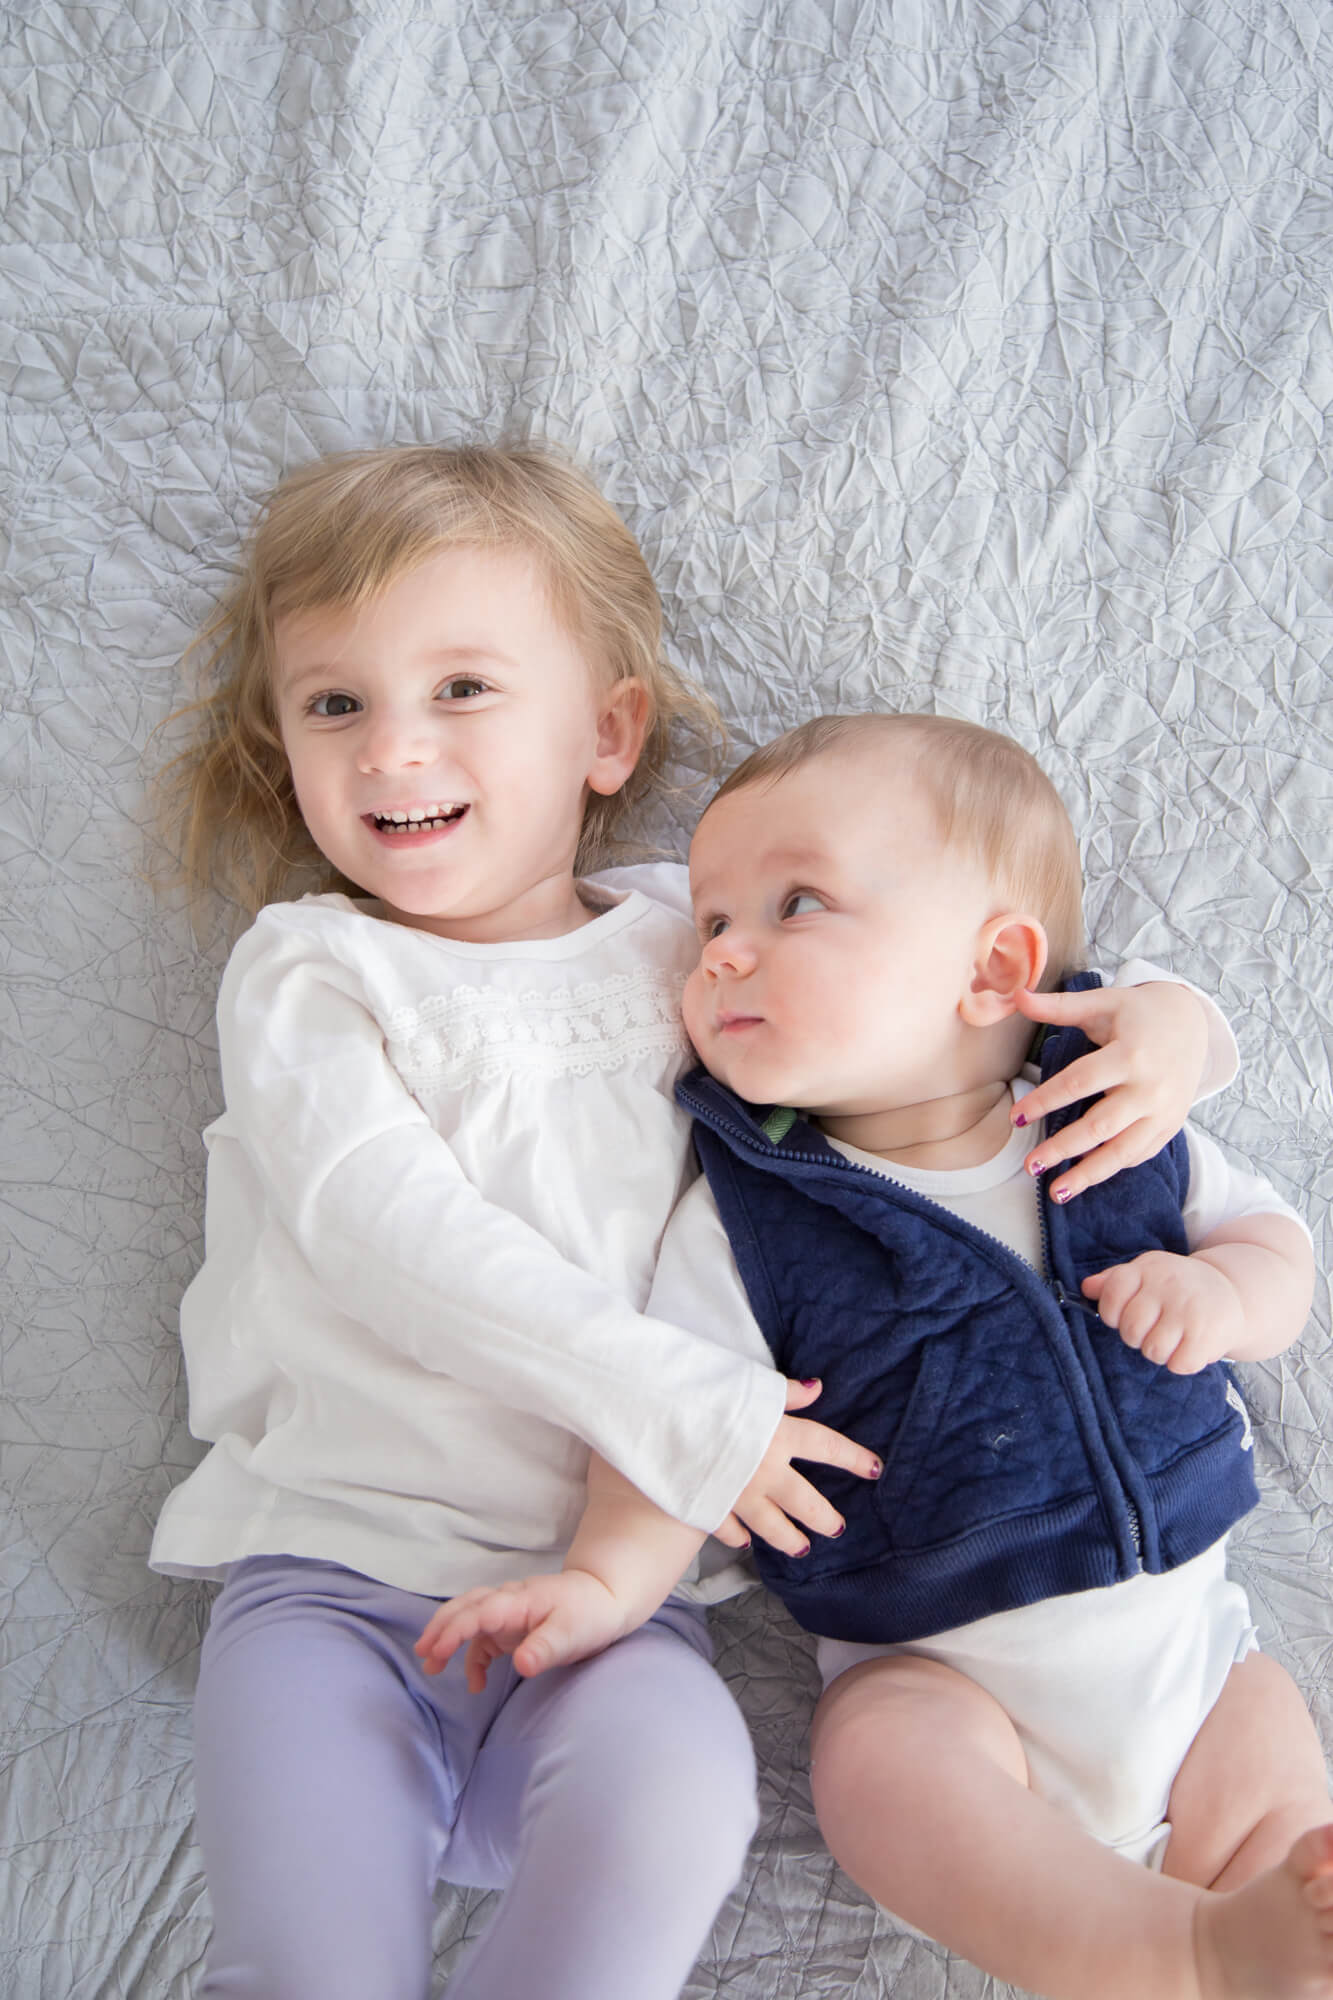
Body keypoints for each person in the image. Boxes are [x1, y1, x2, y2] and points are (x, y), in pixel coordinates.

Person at [150, 443, 1231, 2000]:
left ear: (607, 733)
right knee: (312, 1960)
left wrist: (1179, 1026)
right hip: (336, 1586)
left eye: (459, 688)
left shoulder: (699, 938)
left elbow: (956, 994)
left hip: (616, 1617)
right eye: (334, 705)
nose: (392, 751)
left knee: (680, 1803)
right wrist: (681, 1409)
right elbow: (381, 1231)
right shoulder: (315, 974)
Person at [419, 712, 1333, 2000]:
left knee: (1277, 1770)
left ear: (993, 966)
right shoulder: (754, 1211)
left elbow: (1275, 1244)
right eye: (713, 923)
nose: (726, 950)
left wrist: (1225, 1296)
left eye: (795, 905)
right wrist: (608, 1583)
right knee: (875, 1764)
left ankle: (1239, 1947)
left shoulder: (1111, 1118)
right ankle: (1176, 1952)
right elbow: (675, 1416)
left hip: (1189, 1659)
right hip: (941, 1674)